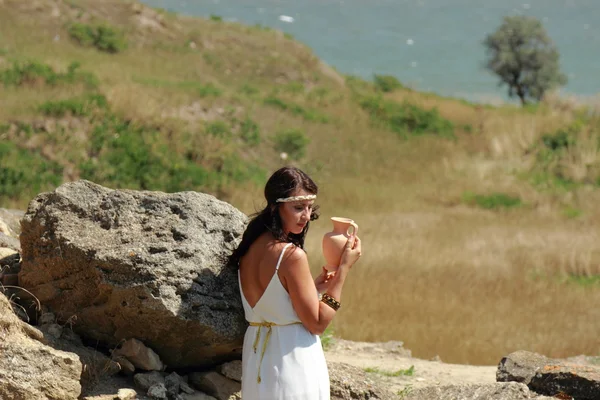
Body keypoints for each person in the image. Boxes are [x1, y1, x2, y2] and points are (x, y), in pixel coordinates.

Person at [229, 166, 362, 400]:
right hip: (293, 360)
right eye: (298, 208)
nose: (307, 216)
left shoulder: (250, 247)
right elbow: (318, 323)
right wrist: (343, 270)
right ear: (275, 206)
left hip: (258, 360)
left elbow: (273, 303)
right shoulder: (291, 256)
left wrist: (313, 288)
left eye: (310, 208)